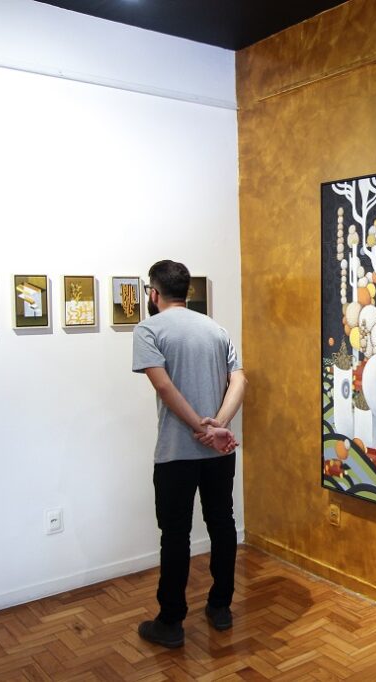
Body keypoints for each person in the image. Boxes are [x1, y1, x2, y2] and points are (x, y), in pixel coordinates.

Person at [131, 259, 246, 648]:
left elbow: (163, 388)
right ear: (188, 291)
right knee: (222, 525)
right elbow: (240, 379)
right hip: (218, 452)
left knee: (176, 536)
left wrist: (202, 428)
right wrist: (219, 425)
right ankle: (220, 607)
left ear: (153, 292)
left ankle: (171, 622)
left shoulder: (148, 328)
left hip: (177, 453)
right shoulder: (215, 328)